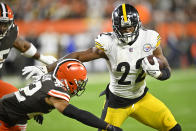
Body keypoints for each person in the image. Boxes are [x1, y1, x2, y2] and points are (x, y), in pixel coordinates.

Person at [23, 3, 181, 131]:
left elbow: (166, 68)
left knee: (174, 128)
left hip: (143, 98)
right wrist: (46, 69)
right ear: (115, 27)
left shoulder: (149, 39)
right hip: (116, 103)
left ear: (138, 25)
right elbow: (77, 56)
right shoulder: (109, 44)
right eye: (123, 28)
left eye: (130, 27)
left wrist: (159, 74)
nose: (127, 32)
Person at [0, 59, 122, 131]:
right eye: (78, 83)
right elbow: (77, 114)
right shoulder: (57, 94)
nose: (79, 86)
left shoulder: (50, 77)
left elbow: (36, 94)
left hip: (14, 113)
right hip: (5, 116)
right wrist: (107, 126)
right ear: (68, 80)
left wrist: (36, 109)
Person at [0, 2, 57, 98]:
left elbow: (21, 45)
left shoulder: (10, 32)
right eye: (0, 24)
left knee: (16, 99)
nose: (2, 28)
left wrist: (43, 58)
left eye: (5, 24)